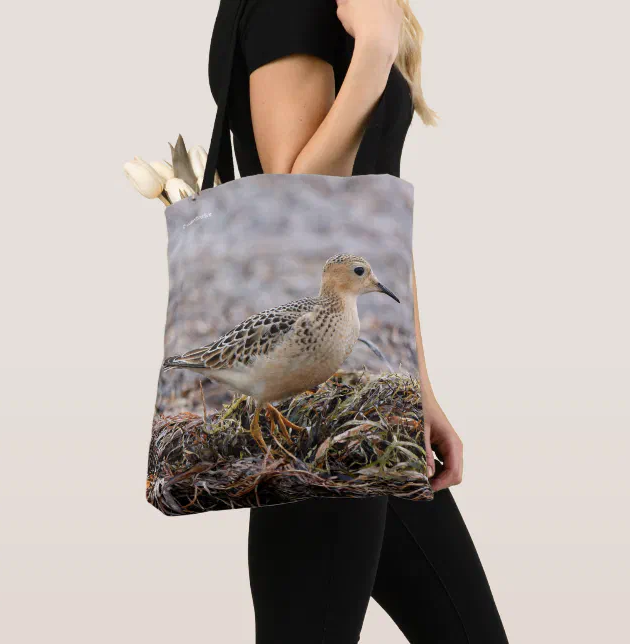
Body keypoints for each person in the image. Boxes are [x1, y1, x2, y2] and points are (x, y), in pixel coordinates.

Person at [208, 1, 509, 642]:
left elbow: (374, 229)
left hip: (363, 394)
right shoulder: (292, 6)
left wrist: (418, 394)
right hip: (315, 404)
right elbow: (304, 202)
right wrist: (374, 51)